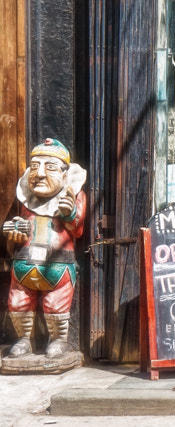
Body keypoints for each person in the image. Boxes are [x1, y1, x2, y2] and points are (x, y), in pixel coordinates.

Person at [3, 138, 87, 359]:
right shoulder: (27, 199)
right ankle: (24, 339)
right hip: (25, 261)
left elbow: (77, 230)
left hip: (58, 264)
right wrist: (14, 229)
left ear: (65, 172)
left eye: (49, 167)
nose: (39, 173)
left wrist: (69, 214)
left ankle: (58, 340)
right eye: (34, 166)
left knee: (56, 305)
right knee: (19, 302)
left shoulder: (75, 196)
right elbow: (21, 225)